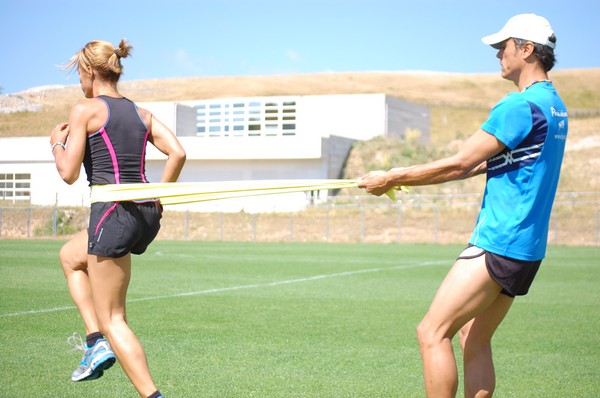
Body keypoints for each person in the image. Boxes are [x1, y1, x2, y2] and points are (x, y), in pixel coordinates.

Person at [358, 14, 567, 398]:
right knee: (473, 335)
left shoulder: (518, 106)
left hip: (499, 242)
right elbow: (493, 161)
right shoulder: (554, 107)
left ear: (526, 49)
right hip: (527, 250)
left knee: (431, 333)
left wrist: (394, 176)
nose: (497, 54)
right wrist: (410, 177)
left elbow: (460, 161)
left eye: (503, 47)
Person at [50, 39, 186, 398]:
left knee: (115, 319)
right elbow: (178, 152)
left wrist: (55, 144)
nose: (79, 82)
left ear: (90, 72)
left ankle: (151, 394)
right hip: (143, 213)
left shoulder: (85, 110)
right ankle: (94, 341)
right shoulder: (141, 113)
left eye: (79, 74)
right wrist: (159, 198)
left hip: (113, 213)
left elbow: (67, 173)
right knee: (69, 256)